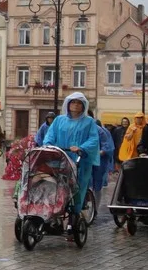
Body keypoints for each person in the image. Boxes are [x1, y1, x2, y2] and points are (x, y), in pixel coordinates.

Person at [43, 93, 99, 231]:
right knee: (55, 185)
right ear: (68, 104)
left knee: (76, 188)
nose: (75, 105)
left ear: (83, 106)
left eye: (79, 103)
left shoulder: (89, 122)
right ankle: (53, 214)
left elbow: (94, 139)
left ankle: (74, 214)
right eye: (73, 102)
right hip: (60, 159)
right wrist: (49, 146)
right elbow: (50, 135)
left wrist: (81, 148)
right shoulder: (59, 120)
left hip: (80, 161)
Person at [92, 110, 115, 201]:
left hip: (100, 160)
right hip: (88, 159)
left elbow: (108, 146)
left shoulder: (102, 131)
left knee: (97, 184)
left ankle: (95, 208)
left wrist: (102, 152)